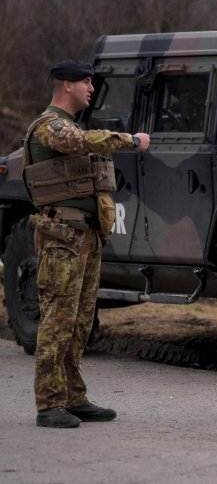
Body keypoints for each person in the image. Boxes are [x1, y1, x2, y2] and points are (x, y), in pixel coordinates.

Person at [23, 60, 151, 429]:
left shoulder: (70, 125)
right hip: (62, 237)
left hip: (85, 236)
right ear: (66, 85)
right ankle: (49, 403)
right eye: (85, 82)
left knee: (79, 321)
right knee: (58, 319)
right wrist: (131, 140)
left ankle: (72, 397)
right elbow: (81, 142)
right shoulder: (51, 127)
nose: (91, 88)